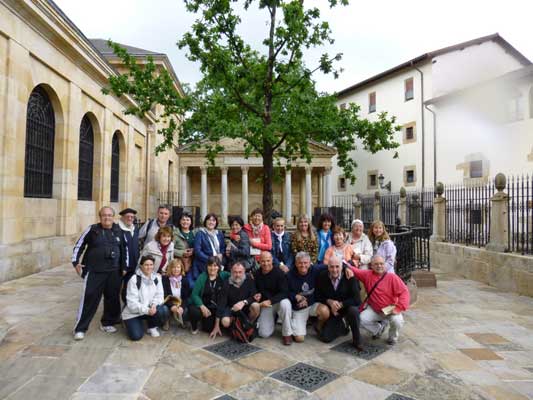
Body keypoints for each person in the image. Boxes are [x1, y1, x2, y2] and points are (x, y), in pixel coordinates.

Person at [71, 206, 128, 340]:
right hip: (95, 271)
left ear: (113, 217)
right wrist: (75, 262)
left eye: (109, 215)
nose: (107, 217)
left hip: (114, 272)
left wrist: (124, 266)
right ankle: (80, 328)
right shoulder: (92, 230)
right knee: (89, 298)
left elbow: (124, 249)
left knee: (112, 298)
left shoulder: (119, 230)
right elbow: (79, 245)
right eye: (104, 215)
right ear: (100, 217)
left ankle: (108, 322)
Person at [349, 255, 410, 345]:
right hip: (374, 309)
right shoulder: (367, 275)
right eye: (376, 264)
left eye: (381, 263)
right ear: (371, 266)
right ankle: (379, 329)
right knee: (361, 319)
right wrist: (344, 264)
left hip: (390, 310)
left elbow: (404, 292)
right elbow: (355, 271)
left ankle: (392, 337)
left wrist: (398, 308)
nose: (379, 266)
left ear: (384, 265)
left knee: (397, 321)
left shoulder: (392, 277)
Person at [315, 256, 362, 350]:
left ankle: (357, 339)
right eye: (331, 267)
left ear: (342, 267)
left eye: (337, 266)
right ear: (327, 267)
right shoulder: (322, 276)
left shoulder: (350, 277)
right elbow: (317, 295)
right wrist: (329, 301)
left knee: (353, 311)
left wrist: (341, 304)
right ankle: (343, 326)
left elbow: (357, 300)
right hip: (333, 311)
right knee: (326, 338)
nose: (334, 270)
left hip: (347, 308)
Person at [122, 255, 169, 340]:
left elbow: (159, 295)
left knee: (164, 310)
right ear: (141, 266)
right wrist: (147, 310)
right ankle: (132, 323)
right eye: (146, 265)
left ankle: (152, 326)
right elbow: (132, 304)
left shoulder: (157, 278)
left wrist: (154, 305)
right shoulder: (134, 279)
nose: (149, 267)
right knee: (136, 336)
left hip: (150, 309)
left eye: (151, 265)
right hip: (134, 312)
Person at [212, 262, 260, 338]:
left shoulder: (249, 280)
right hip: (231, 308)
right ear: (231, 271)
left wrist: (244, 302)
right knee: (225, 322)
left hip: (245, 307)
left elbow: (254, 297)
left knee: (256, 306)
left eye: (240, 272)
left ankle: (249, 326)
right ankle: (235, 327)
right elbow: (222, 303)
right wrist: (216, 325)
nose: (237, 275)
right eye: (235, 272)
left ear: (244, 271)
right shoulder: (226, 283)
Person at [253, 252, 292, 345]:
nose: (266, 263)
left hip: (279, 301)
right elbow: (255, 289)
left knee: (285, 304)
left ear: (272, 260)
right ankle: (273, 319)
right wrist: (256, 294)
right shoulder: (256, 274)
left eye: (268, 261)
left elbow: (285, 292)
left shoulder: (279, 273)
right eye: (263, 261)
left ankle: (287, 334)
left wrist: (271, 300)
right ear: (259, 261)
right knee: (263, 333)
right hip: (267, 305)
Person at [188, 257, 230, 335]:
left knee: (209, 328)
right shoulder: (202, 277)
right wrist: (202, 306)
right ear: (207, 266)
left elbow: (234, 275)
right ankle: (194, 326)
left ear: (219, 267)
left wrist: (248, 276)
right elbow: (194, 294)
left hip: (216, 307)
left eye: (215, 265)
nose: (212, 268)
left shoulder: (223, 275)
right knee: (194, 311)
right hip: (204, 305)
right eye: (210, 265)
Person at [191, 213, 226, 287]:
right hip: (203, 264)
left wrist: (221, 254)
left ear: (216, 222)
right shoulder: (200, 233)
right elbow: (198, 251)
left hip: (217, 264)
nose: (211, 222)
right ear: (205, 222)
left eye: (213, 220)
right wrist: (211, 259)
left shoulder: (219, 234)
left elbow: (223, 247)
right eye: (209, 220)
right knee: (205, 286)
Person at [118, 208, 140, 302]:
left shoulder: (135, 229)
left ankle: (126, 306)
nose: (130, 218)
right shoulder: (117, 229)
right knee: (115, 289)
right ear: (122, 217)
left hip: (133, 265)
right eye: (128, 216)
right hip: (121, 266)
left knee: (128, 288)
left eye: (132, 217)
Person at [162, 258, 190, 330]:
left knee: (186, 310)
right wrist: (171, 306)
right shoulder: (165, 279)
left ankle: (182, 320)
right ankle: (166, 321)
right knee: (164, 309)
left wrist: (182, 307)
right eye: (173, 267)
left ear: (181, 268)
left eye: (178, 267)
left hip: (180, 302)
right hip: (168, 303)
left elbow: (186, 297)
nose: (176, 269)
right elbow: (164, 296)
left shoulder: (185, 280)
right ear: (170, 268)